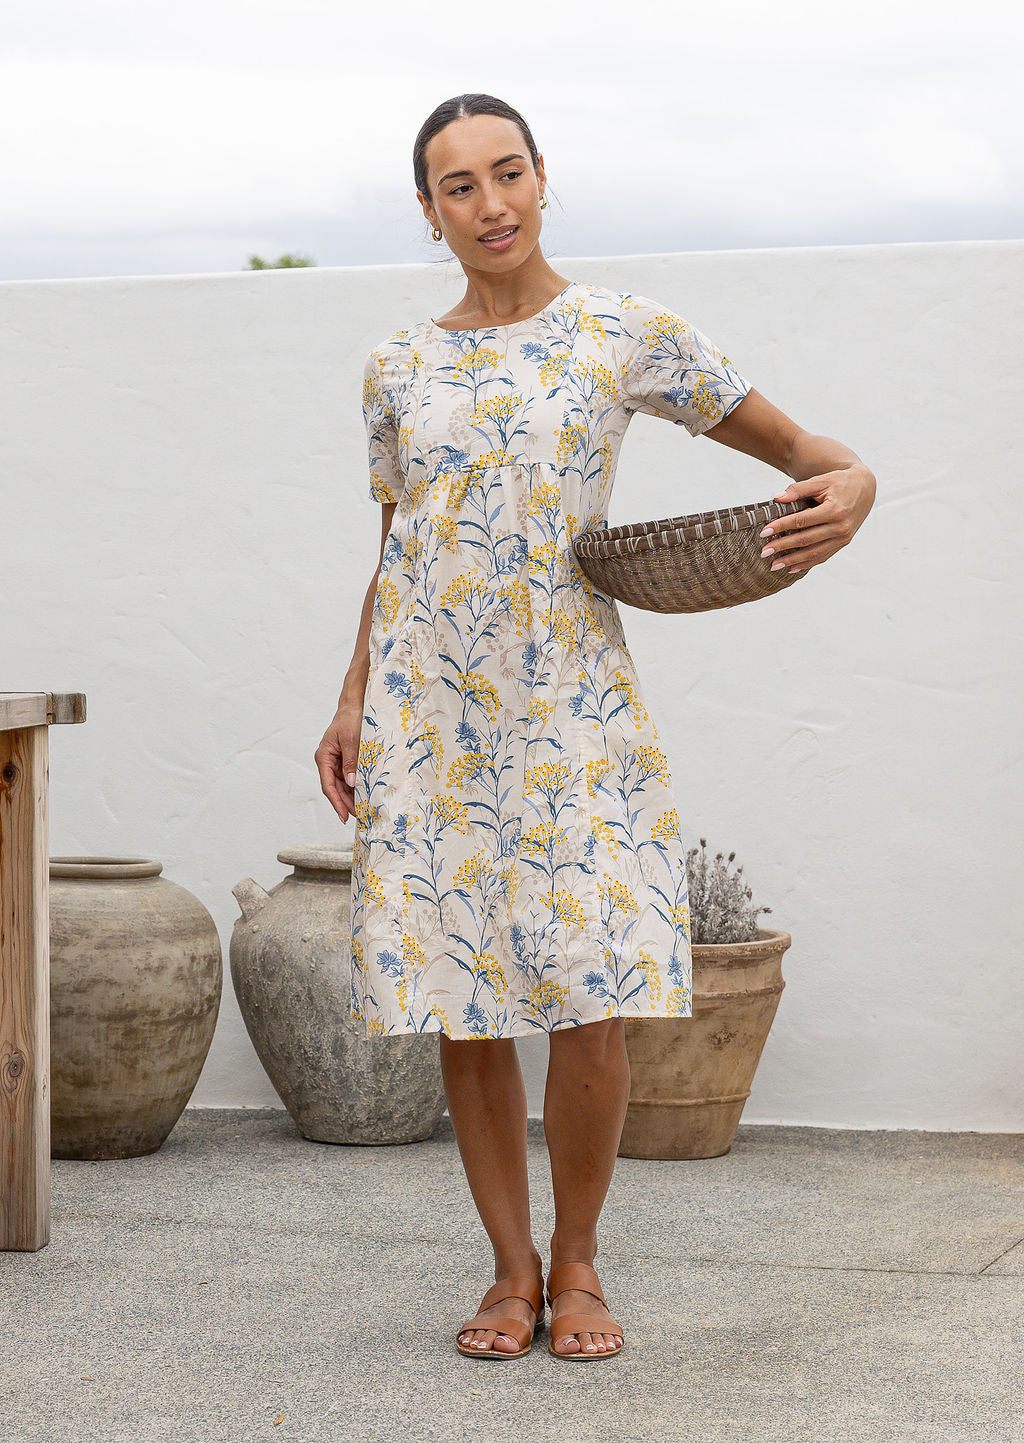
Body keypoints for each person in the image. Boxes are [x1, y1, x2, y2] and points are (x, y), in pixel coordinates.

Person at [315, 93, 876, 1361]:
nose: (490, 204)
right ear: (428, 211)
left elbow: (798, 445)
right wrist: (351, 698)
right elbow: (397, 549)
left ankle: (578, 1264)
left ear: (541, 176)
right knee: (465, 999)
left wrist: (857, 482)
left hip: (570, 703)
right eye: (459, 186)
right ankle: (508, 1272)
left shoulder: (620, 334)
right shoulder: (397, 367)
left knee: (589, 991)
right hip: (429, 711)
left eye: (507, 173)